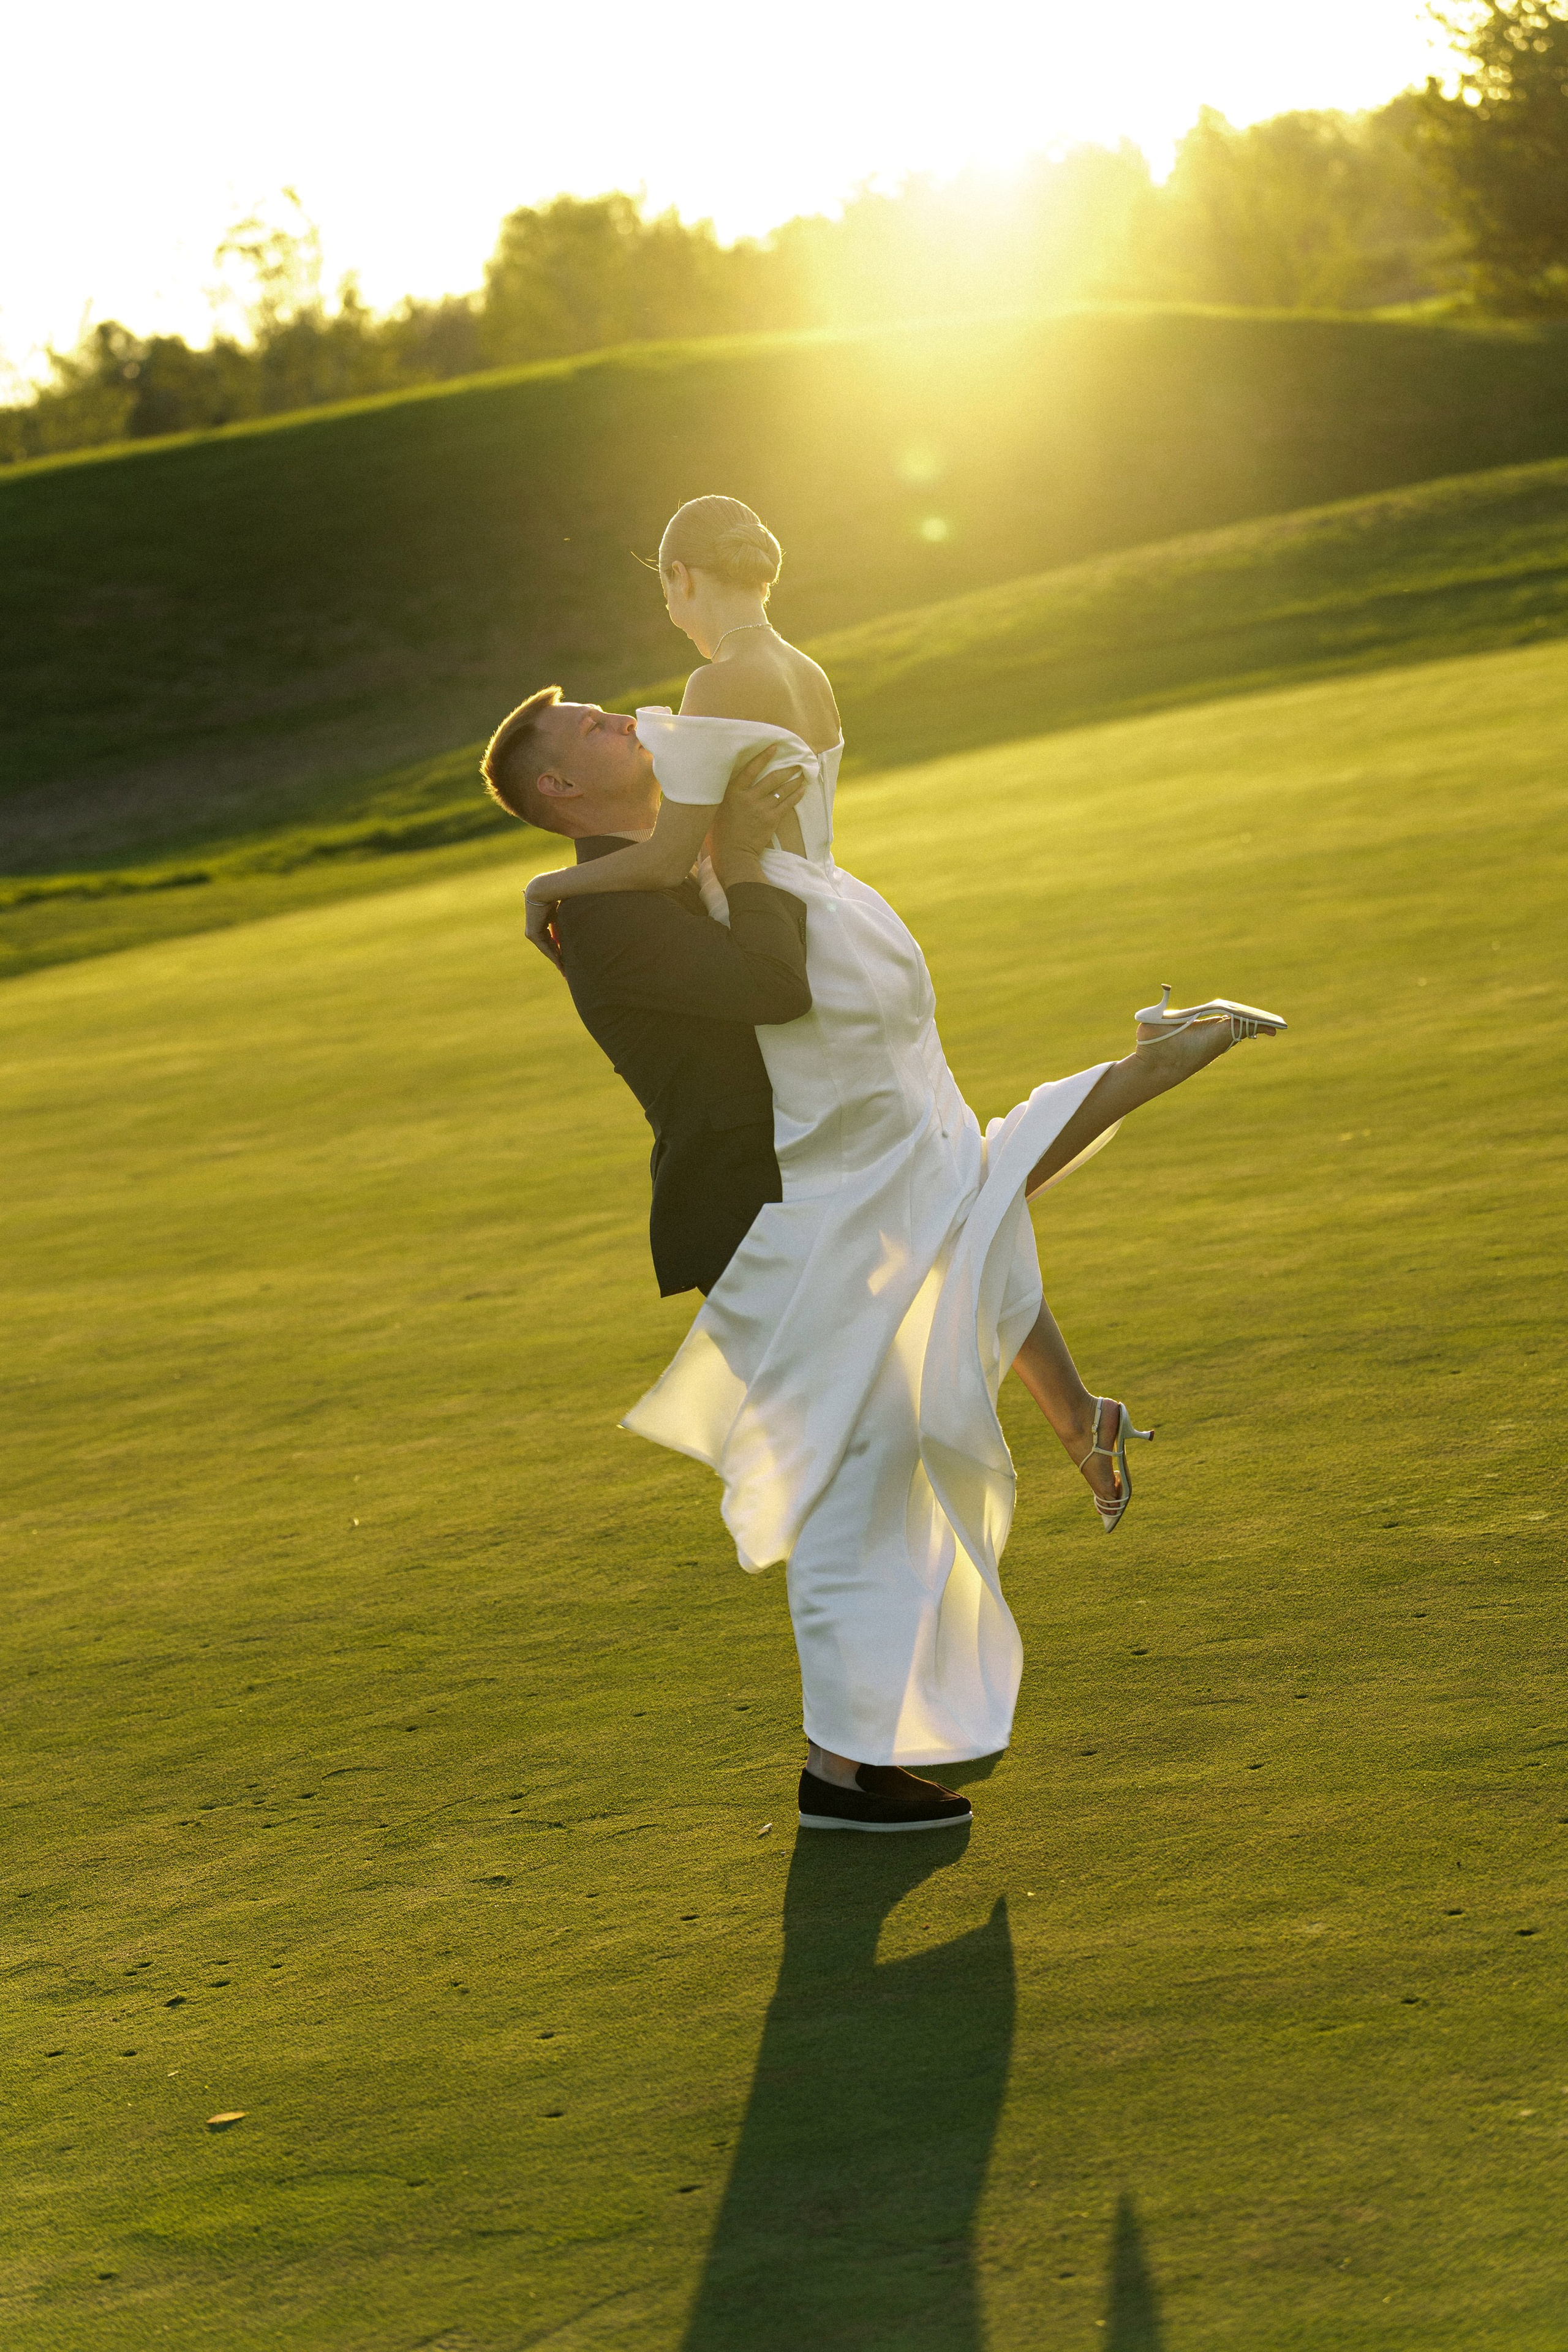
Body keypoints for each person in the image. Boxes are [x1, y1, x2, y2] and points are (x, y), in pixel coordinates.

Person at [503, 496, 1284, 1836]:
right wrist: (636, 876)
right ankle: (848, 1768)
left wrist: (676, 856)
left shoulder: (656, 847)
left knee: (934, 1244)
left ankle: (848, 1769)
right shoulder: (619, 916)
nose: (624, 715)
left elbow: (739, 885)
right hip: (763, 1215)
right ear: (561, 794)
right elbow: (757, 974)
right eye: (590, 727)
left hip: (826, 1132)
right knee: (879, 1423)